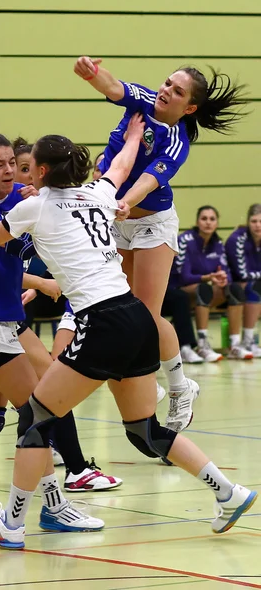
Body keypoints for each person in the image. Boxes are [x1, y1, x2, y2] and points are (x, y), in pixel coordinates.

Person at [0, 118, 256, 548]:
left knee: (34, 416)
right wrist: (136, 137)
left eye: (28, 167)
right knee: (144, 429)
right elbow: (121, 168)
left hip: (101, 322)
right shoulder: (98, 194)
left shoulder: (34, 207)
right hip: (139, 318)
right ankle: (227, 492)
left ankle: (11, 523)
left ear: (42, 172)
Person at [0, 132, 123, 532]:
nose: (10, 169)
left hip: (2, 318)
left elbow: (21, 247)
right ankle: (54, 505)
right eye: (0, 164)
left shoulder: (20, 201)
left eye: (14, 162)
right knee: (36, 415)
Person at [73, 56, 249, 432]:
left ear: (189, 107)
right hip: (118, 218)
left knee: (146, 316)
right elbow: (113, 86)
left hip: (151, 222)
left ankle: (180, 387)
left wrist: (126, 201)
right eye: (167, 83)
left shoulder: (177, 141)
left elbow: (150, 181)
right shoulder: (143, 100)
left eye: (177, 90)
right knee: (119, 311)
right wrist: (91, 73)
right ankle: (146, 383)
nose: (165, 91)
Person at [170, 205, 250, 361]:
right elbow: (183, 277)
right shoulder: (185, 240)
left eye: (212, 219)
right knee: (203, 289)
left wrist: (223, 279)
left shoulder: (218, 244)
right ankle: (202, 345)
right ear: (197, 222)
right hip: (180, 291)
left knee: (235, 289)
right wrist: (208, 277)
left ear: (217, 223)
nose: (208, 223)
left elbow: (226, 272)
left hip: (206, 289)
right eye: (204, 218)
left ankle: (234, 345)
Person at [225, 204, 261, 357]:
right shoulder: (237, 239)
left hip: (253, 283)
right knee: (254, 287)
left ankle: (249, 341)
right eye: (254, 221)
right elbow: (242, 273)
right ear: (248, 222)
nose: (258, 225)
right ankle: (245, 341)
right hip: (234, 285)